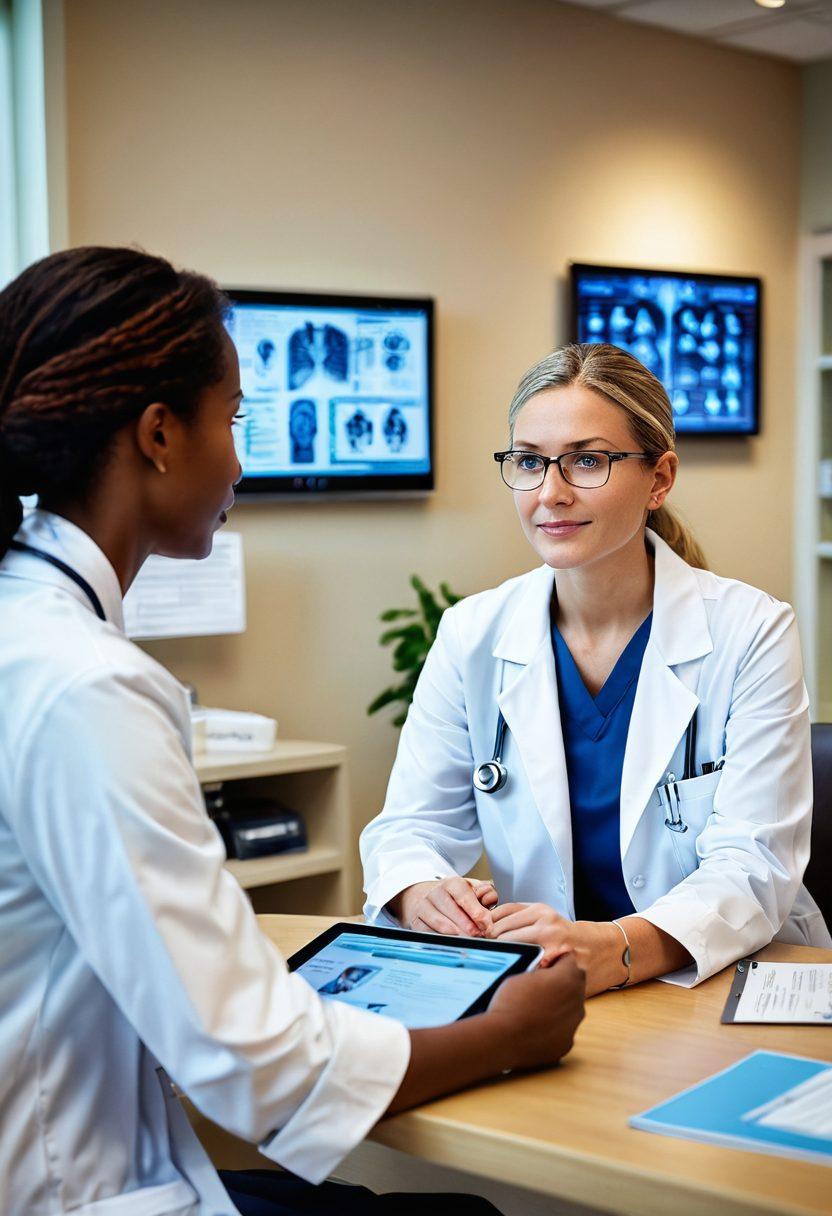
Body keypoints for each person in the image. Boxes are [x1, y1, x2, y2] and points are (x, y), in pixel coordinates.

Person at [0, 248, 584, 1216]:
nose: (240, 456)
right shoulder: (87, 682)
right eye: (231, 421)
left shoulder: (34, 631)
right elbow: (251, 1065)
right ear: (157, 434)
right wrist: (511, 1032)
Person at [361, 343, 831, 995]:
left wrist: (615, 948)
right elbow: (410, 826)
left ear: (659, 478)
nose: (550, 493)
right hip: (546, 982)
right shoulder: (473, 633)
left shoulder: (750, 630)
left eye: (587, 460)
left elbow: (754, 868)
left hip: (722, 975)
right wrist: (419, 892)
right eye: (529, 462)